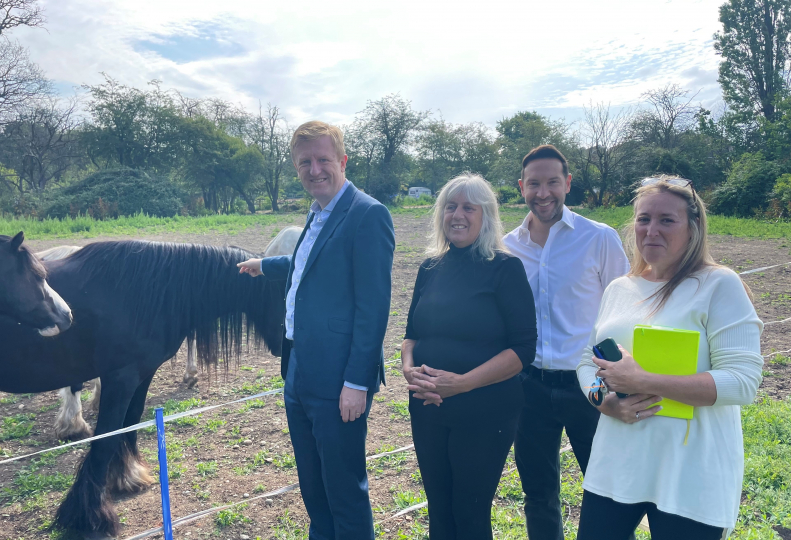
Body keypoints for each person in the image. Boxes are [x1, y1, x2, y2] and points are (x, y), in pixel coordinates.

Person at [575, 176, 763, 540]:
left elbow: (742, 382)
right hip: (617, 465)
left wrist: (642, 381)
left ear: (693, 228)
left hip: (691, 474)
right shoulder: (620, 288)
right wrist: (603, 402)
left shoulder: (718, 285)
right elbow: (587, 361)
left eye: (666, 220)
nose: (651, 230)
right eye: (644, 219)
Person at [237, 121, 394, 540]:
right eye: (305, 162)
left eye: (324, 159)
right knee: (313, 488)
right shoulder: (318, 211)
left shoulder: (367, 214)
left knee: (343, 490)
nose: (315, 169)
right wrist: (265, 265)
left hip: (339, 380)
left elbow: (373, 308)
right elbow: (308, 266)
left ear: (342, 161)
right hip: (299, 370)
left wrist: (357, 382)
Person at [502, 144, 629, 540]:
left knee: (607, 491)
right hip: (529, 385)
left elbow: (625, 314)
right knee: (538, 493)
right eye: (534, 184)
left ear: (568, 183)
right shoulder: (507, 247)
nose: (543, 193)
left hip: (588, 382)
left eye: (552, 182)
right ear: (522, 187)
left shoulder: (599, 239)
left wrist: (620, 383)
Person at [401, 173, 537, 540]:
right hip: (428, 406)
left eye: (468, 208)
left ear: (486, 216)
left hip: (484, 411)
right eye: (450, 206)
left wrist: (460, 384)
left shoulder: (505, 268)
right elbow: (411, 336)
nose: (457, 215)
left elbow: (524, 350)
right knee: (439, 510)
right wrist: (409, 369)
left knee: (470, 513)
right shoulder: (430, 267)